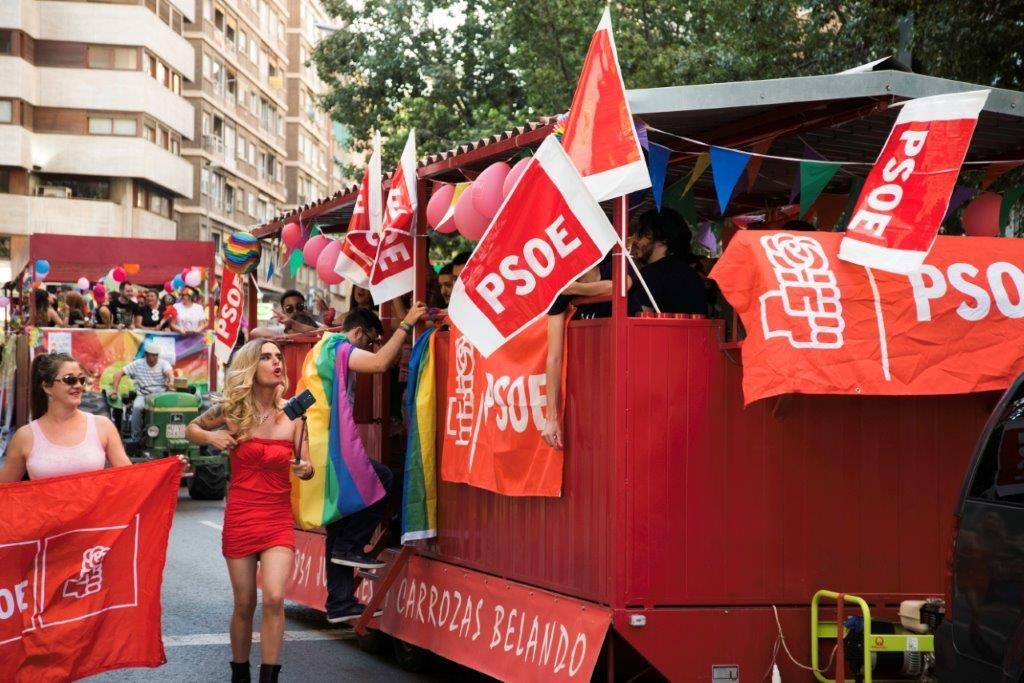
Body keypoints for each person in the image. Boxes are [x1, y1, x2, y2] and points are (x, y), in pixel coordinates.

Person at [185, 340, 314, 683]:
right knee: (245, 604)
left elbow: (307, 463)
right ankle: (239, 674)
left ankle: (269, 678)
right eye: (266, 357)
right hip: (241, 516)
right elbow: (192, 429)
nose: (276, 363)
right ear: (250, 367)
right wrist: (214, 440)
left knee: (274, 597)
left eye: (278, 357)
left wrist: (304, 469)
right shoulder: (233, 410)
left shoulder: (295, 414)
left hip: (276, 518)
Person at [324, 303, 426, 625]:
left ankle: (339, 603)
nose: (369, 349)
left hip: (323, 446)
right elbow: (381, 364)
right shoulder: (340, 348)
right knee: (383, 480)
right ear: (358, 333)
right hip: (328, 448)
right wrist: (406, 324)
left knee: (339, 524)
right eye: (369, 341)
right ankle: (353, 545)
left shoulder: (324, 348)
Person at [0, 353, 131, 482]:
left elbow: (131, 479)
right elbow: (5, 491)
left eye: (81, 379)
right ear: (47, 387)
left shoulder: (103, 426)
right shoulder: (25, 437)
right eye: (70, 380)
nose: (79, 385)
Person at [627, 208, 708, 316]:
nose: (636, 240)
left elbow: (640, 318)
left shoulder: (651, 274)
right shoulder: (692, 274)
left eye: (642, 234)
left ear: (663, 238)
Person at [111, 341, 174, 440]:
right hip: (143, 395)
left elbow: (170, 374)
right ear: (146, 355)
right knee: (137, 407)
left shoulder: (164, 364)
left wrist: (171, 382)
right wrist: (114, 391)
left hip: (161, 396)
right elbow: (118, 374)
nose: (154, 358)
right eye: (152, 355)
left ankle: (169, 436)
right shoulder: (138, 364)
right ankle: (136, 438)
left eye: (156, 355)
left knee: (173, 409)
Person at [251, 290, 320, 338]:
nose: (295, 310)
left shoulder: (317, 325)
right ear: (283, 312)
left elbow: (318, 331)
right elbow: (254, 332)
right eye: (289, 308)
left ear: (305, 308)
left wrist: (292, 323)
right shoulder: (282, 330)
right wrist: (285, 337)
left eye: (299, 306)